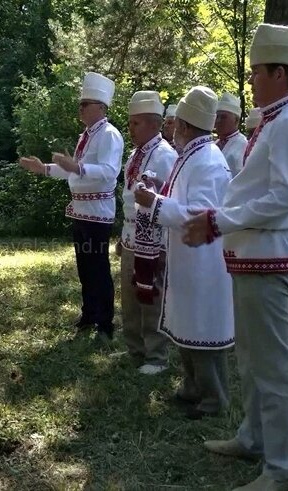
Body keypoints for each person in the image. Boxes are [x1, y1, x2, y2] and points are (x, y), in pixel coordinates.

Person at [183, 23, 288, 491]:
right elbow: (260, 191)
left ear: (280, 73)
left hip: (270, 260)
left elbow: (285, 198)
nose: (251, 80)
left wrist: (219, 221)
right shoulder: (276, 122)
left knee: (274, 365)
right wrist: (220, 218)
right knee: (254, 360)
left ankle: (282, 469)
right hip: (252, 256)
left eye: (258, 71)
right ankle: (254, 436)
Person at [134, 86, 234, 419]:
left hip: (203, 260)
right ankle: (193, 386)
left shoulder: (208, 160)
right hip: (186, 257)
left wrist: (155, 203)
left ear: (187, 127)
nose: (172, 130)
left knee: (201, 328)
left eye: (176, 124)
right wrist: (156, 196)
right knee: (187, 326)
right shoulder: (192, 155)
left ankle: (213, 399)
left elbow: (200, 214)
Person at [19, 72, 124, 342]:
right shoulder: (87, 136)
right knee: (84, 267)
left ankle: (105, 324)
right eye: (80, 104)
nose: (80, 108)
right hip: (80, 210)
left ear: (100, 107)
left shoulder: (110, 135)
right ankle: (89, 315)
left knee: (98, 268)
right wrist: (44, 169)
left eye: (84, 104)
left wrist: (76, 166)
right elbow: (72, 172)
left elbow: (110, 172)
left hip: (98, 213)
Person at [119, 91, 177, 374]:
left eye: (136, 124)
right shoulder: (135, 155)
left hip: (154, 240)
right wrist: (122, 236)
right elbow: (129, 199)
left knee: (151, 294)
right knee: (129, 295)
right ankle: (135, 347)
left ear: (155, 124)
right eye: (130, 123)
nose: (131, 129)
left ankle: (157, 355)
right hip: (131, 235)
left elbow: (164, 198)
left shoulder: (165, 155)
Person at [215, 93, 249, 177]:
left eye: (223, 117)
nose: (218, 121)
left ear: (236, 120)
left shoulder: (243, 144)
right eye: (217, 117)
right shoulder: (215, 144)